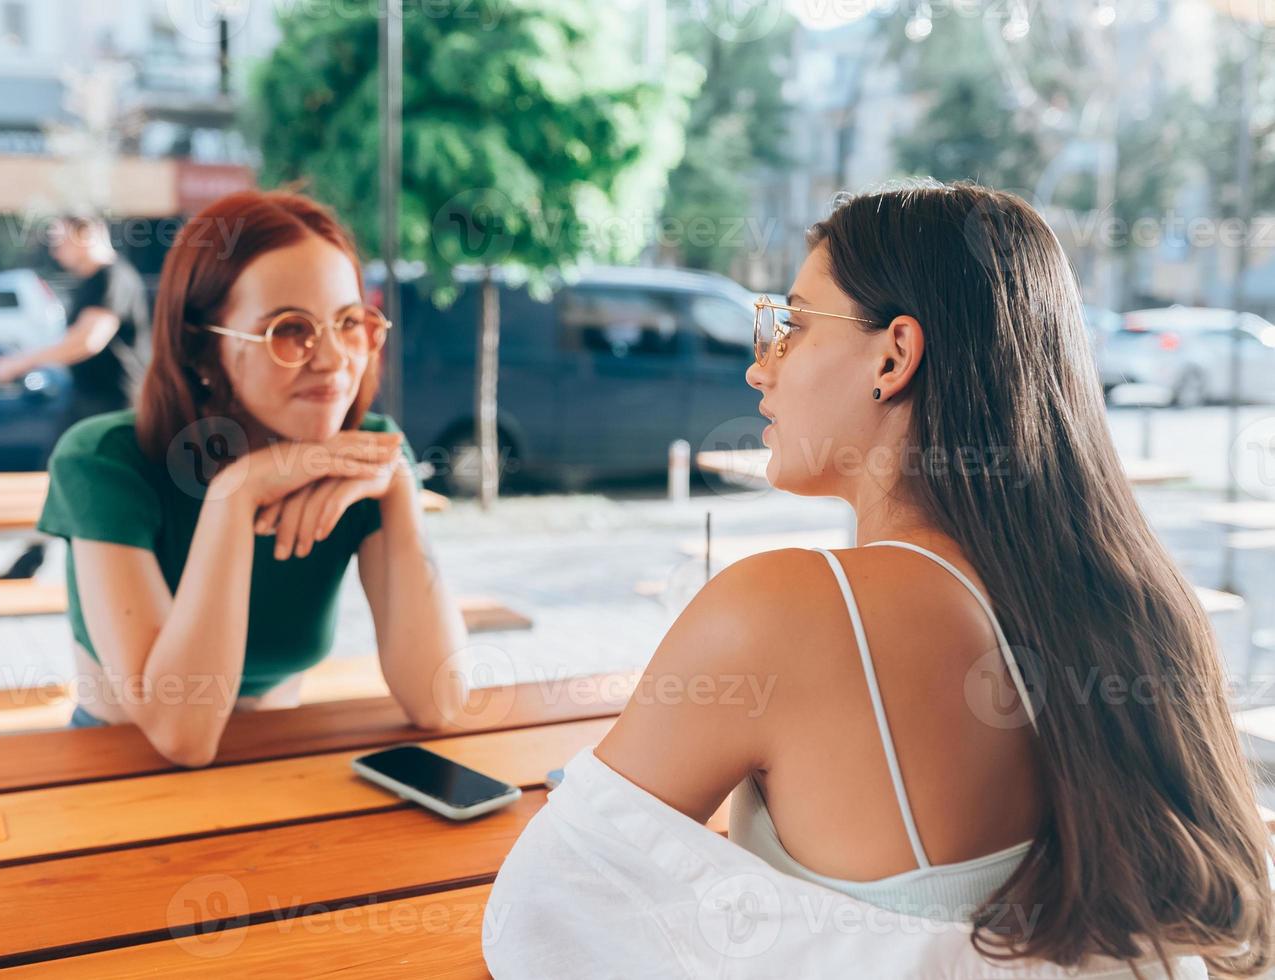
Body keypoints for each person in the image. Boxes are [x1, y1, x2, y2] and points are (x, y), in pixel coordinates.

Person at [485, 181, 1273, 977]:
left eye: (790, 324)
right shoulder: (1138, 607)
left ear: (893, 355)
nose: (761, 370)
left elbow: (541, 918)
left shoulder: (780, 611)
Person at [35, 189, 468, 767]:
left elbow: (438, 700)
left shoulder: (366, 453)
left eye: (349, 323)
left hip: (278, 757)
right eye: (290, 330)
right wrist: (235, 495)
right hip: (120, 767)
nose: (334, 359)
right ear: (201, 350)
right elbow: (181, 734)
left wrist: (399, 491)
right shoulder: (106, 459)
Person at [0, 214, 150, 579]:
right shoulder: (92, 281)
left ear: (87, 235)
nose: (55, 249)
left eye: (60, 240)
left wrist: (22, 361)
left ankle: (107, 568)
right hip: (90, 400)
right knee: (60, 475)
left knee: (87, 482)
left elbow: (88, 341)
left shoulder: (112, 277)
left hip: (112, 405)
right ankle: (37, 557)